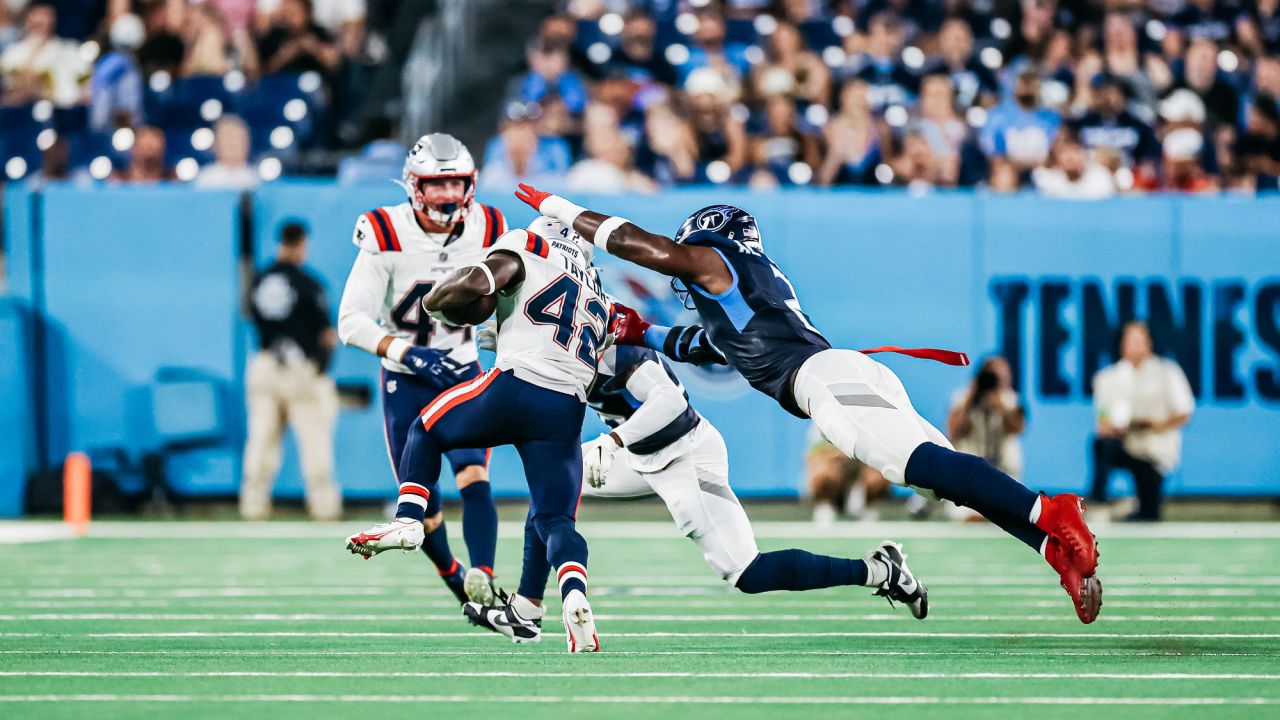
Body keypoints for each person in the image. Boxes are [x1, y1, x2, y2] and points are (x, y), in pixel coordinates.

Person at [513, 186, 1104, 624]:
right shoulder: (740, 296)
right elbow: (702, 344)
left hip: (823, 379)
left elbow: (651, 250)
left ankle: (1053, 512)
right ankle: (1048, 544)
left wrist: (563, 210)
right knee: (936, 479)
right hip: (844, 372)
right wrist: (640, 331)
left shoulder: (721, 263)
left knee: (916, 467)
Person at [472, 294, 929, 635]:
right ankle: (527, 611)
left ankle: (879, 569)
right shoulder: (557, 329)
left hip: (683, 453)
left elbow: (670, 403)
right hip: (635, 452)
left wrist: (612, 440)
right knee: (550, 493)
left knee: (747, 573)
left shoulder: (607, 338)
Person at [347, 217, 610, 653]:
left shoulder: (529, 245)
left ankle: (410, 521)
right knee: (554, 519)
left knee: (427, 426)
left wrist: (437, 302)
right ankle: (567, 598)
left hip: (518, 382)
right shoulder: (596, 290)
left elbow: (478, 281)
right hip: (566, 407)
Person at [336, 133, 506, 606]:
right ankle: (456, 580)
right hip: (406, 380)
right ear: (414, 185)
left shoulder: (490, 225)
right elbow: (350, 321)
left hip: (461, 370)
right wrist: (409, 354)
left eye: (456, 184)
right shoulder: (385, 230)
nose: (449, 196)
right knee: (423, 505)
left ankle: (485, 580)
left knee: (474, 474)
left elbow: (505, 305)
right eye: (437, 185)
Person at [242, 221, 342, 521]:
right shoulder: (309, 284)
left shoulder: (259, 280)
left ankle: (253, 505)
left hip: (265, 363)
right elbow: (327, 336)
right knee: (315, 441)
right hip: (300, 370)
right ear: (301, 243)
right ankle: (323, 506)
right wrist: (322, 368)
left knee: (261, 439)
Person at [1089, 321, 1195, 521]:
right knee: (1102, 445)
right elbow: (1102, 422)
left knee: (1149, 514)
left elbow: (1184, 412)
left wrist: (1154, 424)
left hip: (1154, 449)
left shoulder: (1168, 372)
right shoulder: (1107, 378)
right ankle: (1099, 498)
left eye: (1140, 340)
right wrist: (1119, 427)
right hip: (1123, 443)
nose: (1135, 345)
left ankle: (1134, 506)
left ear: (1149, 342)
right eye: (1130, 340)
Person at [195, 115, 258, 190]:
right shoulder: (205, 180)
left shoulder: (255, 180)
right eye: (227, 138)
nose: (232, 144)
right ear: (216, 144)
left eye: (237, 138)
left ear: (247, 143)